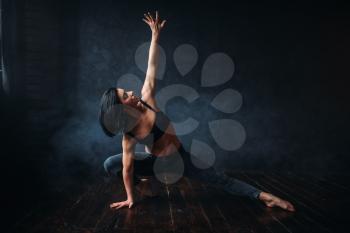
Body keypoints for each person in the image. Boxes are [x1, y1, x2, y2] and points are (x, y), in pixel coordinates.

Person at [99, 11, 295, 212]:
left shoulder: (147, 98)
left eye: (126, 91)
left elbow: (151, 66)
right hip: (157, 165)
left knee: (221, 180)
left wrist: (155, 35)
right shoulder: (129, 135)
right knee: (110, 164)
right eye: (126, 96)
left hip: (181, 159)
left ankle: (265, 197)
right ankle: (147, 182)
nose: (131, 92)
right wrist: (131, 196)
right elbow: (127, 169)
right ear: (123, 108)